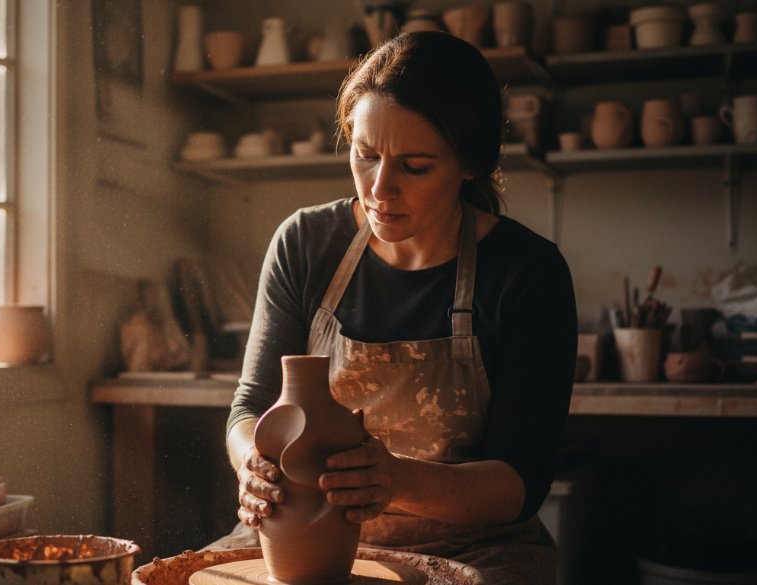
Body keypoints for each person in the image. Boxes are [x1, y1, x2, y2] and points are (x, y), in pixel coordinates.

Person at [211, 31, 577, 585]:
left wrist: (399, 482)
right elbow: (249, 409)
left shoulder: (527, 272)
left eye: (415, 166)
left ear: (471, 163)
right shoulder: (306, 244)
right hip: (304, 537)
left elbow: (520, 483)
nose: (380, 188)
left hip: (474, 553)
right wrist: (252, 466)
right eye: (365, 155)